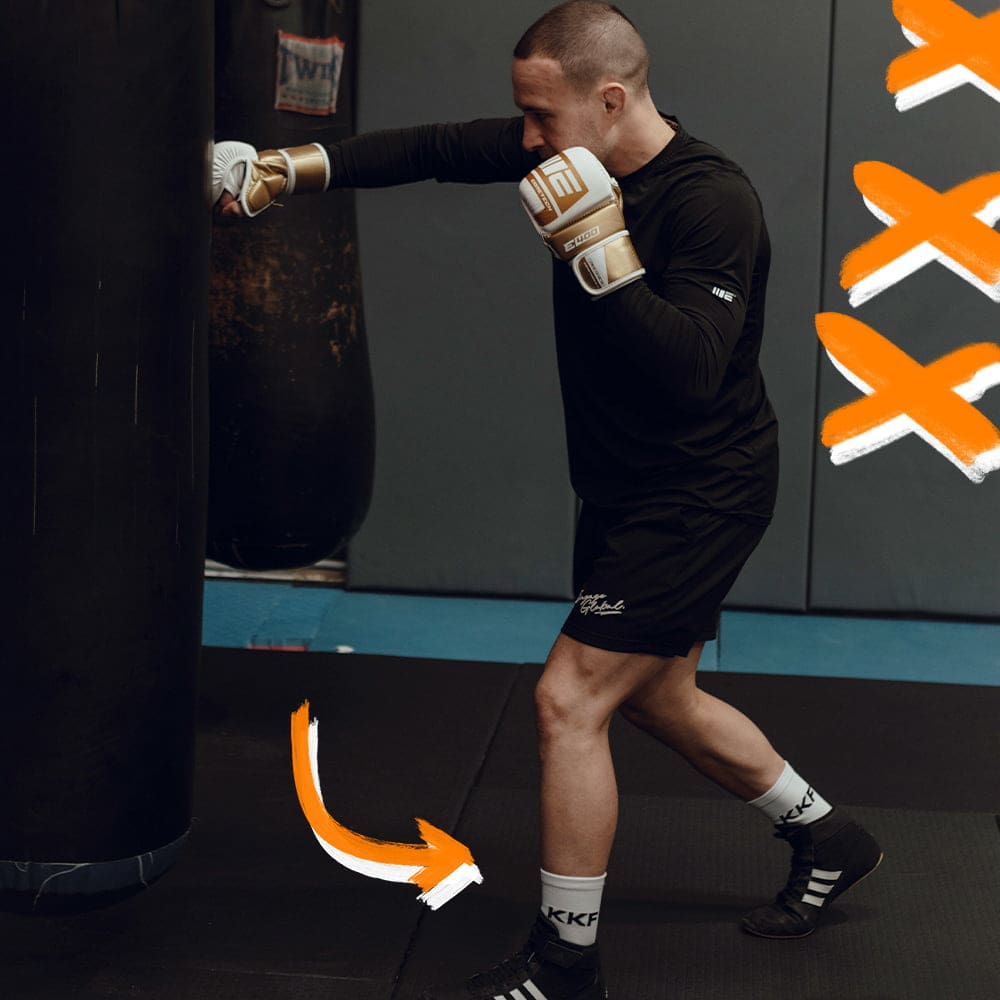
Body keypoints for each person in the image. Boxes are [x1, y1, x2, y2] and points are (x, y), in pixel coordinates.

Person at [213, 3, 883, 997]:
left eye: (542, 116)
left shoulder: (713, 201)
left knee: (568, 700)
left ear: (610, 99)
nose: (526, 139)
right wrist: (285, 169)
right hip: (619, 484)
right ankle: (828, 836)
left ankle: (566, 962)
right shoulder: (568, 148)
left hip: (699, 490)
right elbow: (433, 149)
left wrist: (604, 257)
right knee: (656, 696)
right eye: (522, 115)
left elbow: (694, 369)